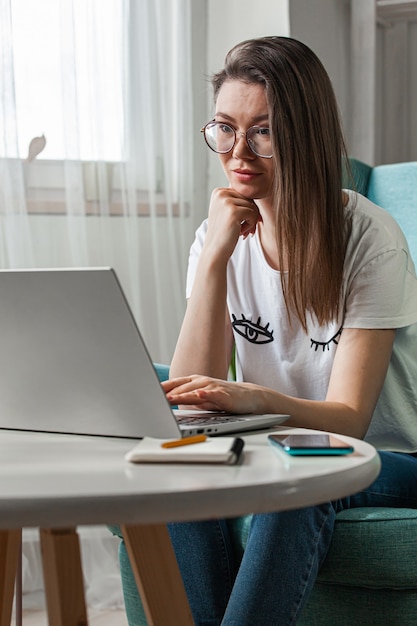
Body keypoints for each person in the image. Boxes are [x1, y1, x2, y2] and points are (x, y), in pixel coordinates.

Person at [135, 36, 417, 625]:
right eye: (225, 128)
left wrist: (255, 399)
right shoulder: (218, 234)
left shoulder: (369, 237)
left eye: (262, 131)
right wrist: (214, 257)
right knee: (178, 459)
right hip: (273, 445)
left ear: (303, 133)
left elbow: (349, 421)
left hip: (384, 456)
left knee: (300, 474)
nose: (239, 151)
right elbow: (192, 387)